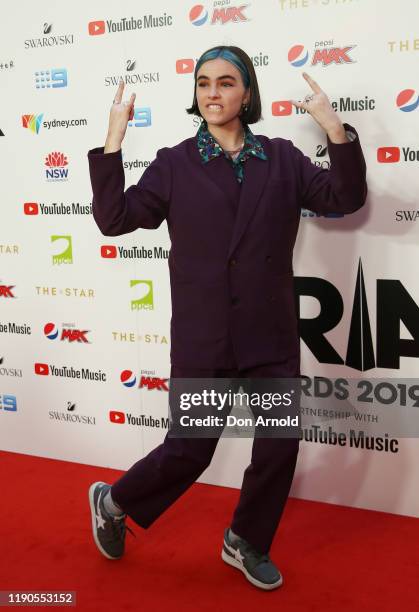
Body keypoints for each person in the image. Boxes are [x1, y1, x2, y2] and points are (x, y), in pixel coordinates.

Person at [87, 45, 367, 591]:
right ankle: (114, 502)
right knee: (191, 450)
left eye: (225, 83)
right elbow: (115, 218)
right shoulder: (174, 163)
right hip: (204, 336)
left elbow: (345, 196)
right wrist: (114, 140)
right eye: (204, 84)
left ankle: (247, 541)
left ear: (247, 93)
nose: (212, 93)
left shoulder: (283, 158)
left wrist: (335, 128)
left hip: (271, 333)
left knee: (280, 447)